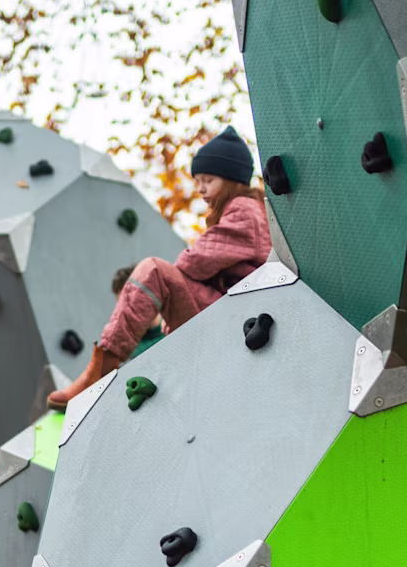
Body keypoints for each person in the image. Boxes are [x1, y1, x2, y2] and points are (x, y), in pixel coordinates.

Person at [49, 126, 271, 409]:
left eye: (208, 180)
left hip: (234, 314)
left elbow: (195, 261)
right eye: (198, 181)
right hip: (232, 310)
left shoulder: (244, 209)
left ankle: (100, 369)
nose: (201, 188)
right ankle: (102, 367)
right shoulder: (247, 211)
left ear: (231, 180)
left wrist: (169, 293)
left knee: (154, 270)